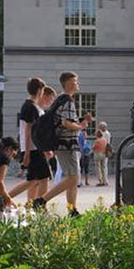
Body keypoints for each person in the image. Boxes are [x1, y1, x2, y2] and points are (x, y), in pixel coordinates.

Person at [36, 72, 92, 216]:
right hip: (67, 143)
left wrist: (80, 122)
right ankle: (41, 201)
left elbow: (64, 120)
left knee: (71, 177)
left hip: (60, 143)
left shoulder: (60, 100)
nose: (78, 83)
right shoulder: (68, 100)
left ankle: (72, 210)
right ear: (68, 83)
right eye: (75, 81)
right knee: (74, 177)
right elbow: (66, 123)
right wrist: (80, 127)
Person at [15, 77, 50, 206]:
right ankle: (39, 205)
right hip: (33, 148)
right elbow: (28, 131)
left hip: (35, 148)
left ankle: (30, 204)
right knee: (43, 178)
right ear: (40, 90)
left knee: (34, 180)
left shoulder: (32, 106)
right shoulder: (30, 106)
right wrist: (27, 154)